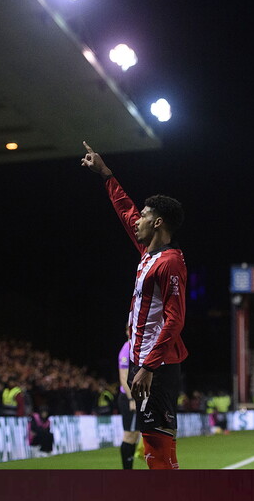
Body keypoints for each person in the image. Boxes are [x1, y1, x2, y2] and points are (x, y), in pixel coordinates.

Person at [81, 141, 188, 470]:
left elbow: (175, 319)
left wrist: (148, 367)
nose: (137, 219)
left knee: (157, 454)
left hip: (158, 369)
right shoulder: (148, 255)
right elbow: (125, 211)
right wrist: (106, 174)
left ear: (158, 223)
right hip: (147, 367)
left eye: (144, 215)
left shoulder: (169, 262)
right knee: (159, 452)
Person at [117, 322, 141, 469]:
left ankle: (129, 470)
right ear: (127, 331)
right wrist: (131, 398)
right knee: (129, 435)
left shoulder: (137, 348)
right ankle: (126, 471)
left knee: (135, 435)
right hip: (128, 398)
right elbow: (123, 377)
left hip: (137, 397)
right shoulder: (127, 348)